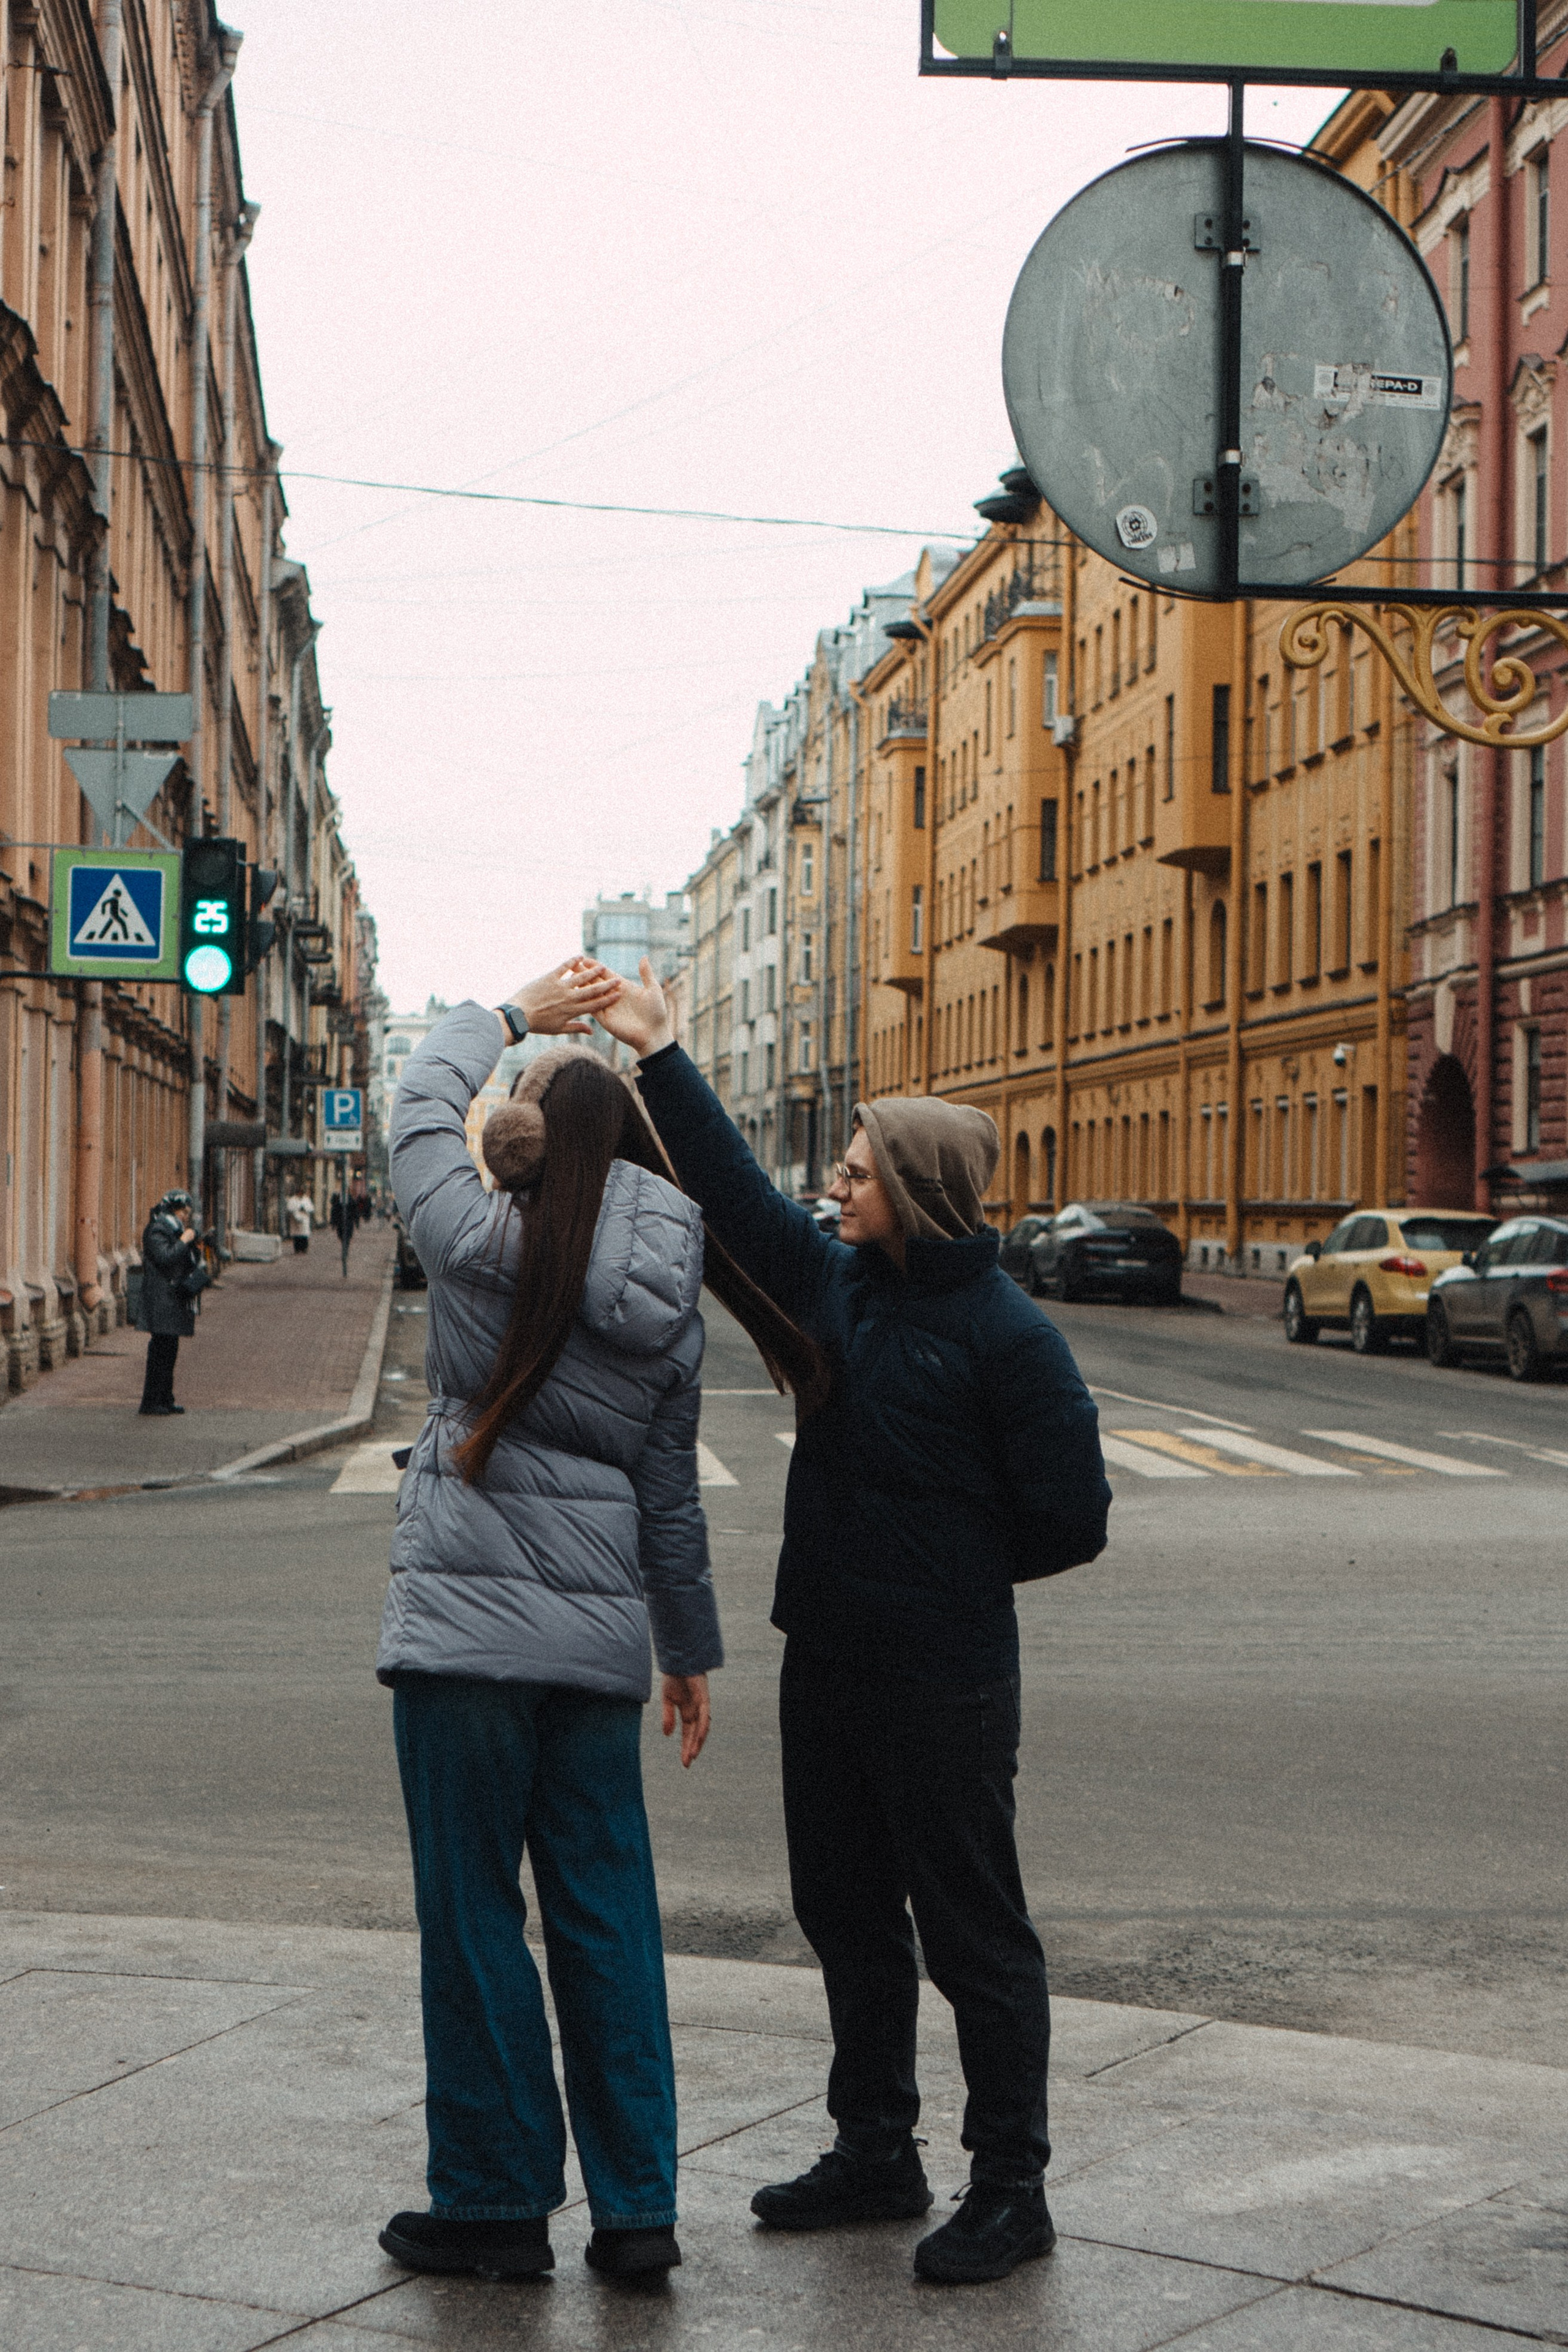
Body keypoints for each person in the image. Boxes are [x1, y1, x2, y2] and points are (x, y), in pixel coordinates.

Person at [598, 959, 1111, 2288]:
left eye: (860, 1172)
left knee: (975, 1937)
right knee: (844, 1911)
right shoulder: (839, 1288)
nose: (836, 1185)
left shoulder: (1010, 1338)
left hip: (944, 1679)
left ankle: (1012, 2188)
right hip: (825, 1661)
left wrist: (943, 1572)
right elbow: (735, 1195)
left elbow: (1073, 1519)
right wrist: (659, 1054)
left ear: (918, 1192)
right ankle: (876, 2150)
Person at [374, 960, 820, 2289]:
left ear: (524, 1137)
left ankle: (495, 2205)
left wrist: (517, 1015)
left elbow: (417, 1100)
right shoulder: (668, 1298)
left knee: (473, 1920)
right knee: (609, 1920)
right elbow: (668, 1498)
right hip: (596, 1657)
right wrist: (686, 1651)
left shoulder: (472, 1236)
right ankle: (637, 2213)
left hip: (461, 1642)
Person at [135, 1189, 205, 1415]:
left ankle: (166, 1398)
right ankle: (151, 1402)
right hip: (161, 1298)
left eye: (188, 1213)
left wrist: (195, 1247)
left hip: (173, 1297)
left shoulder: (174, 1229)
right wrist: (184, 1241)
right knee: (160, 1351)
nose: (186, 1216)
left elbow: (184, 1260)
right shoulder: (157, 1230)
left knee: (170, 1349)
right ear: (173, 1210)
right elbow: (165, 1257)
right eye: (184, 1212)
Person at [285, 1188, 314, 1254]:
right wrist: (296, 1210)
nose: (300, 1194)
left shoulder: (307, 1199)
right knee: (297, 1236)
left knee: (304, 1236)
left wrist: (305, 1209)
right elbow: (289, 1208)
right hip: (295, 1220)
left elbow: (311, 1208)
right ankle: (297, 1249)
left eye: (301, 1193)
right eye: (299, 1193)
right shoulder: (292, 1200)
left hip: (304, 1219)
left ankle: (304, 1249)